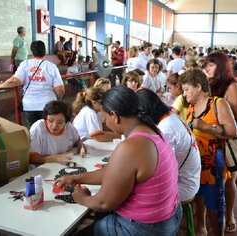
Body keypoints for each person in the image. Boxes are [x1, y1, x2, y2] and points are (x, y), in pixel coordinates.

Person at [55, 85, 182, 236]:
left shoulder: (131, 147)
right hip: (168, 218)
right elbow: (115, 173)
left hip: (146, 229)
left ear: (115, 116)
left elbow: (103, 203)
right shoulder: (153, 131)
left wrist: (82, 198)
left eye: (104, 117)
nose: (104, 121)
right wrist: (77, 178)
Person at [181, 69, 237, 236]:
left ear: (198, 87)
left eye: (186, 89)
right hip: (196, 164)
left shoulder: (218, 104)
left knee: (215, 206)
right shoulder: (191, 106)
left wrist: (205, 127)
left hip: (214, 165)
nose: (184, 94)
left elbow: (232, 131)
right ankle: (202, 226)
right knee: (198, 198)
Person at [137, 89, 201, 231]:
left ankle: (152, 230)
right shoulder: (171, 116)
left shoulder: (165, 128)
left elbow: (162, 169)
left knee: (136, 192)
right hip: (190, 179)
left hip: (184, 186)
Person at [204, 51, 237, 233]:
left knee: (229, 180)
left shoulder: (231, 86)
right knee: (210, 178)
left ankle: (229, 214)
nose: (206, 68)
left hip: (227, 138)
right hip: (209, 137)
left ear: (221, 67)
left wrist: (220, 107)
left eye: (211, 65)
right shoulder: (208, 84)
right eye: (206, 65)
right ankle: (211, 210)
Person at [0, 40, 64, 127]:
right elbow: (60, 89)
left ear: (32, 52)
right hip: (49, 104)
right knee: (49, 130)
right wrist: (59, 98)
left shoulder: (25, 64)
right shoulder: (51, 66)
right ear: (44, 51)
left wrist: (0, 85)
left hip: (30, 105)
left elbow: (14, 81)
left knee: (34, 131)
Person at [29, 101, 84, 167]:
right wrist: (56, 158)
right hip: (44, 169)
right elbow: (32, 158)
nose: (54, 125)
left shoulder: (68, 127)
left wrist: (81, 146)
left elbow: (77, 139)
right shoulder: (37, 128)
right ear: (45, 119)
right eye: (50, 121)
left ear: (66, 122)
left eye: (59, 122)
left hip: (63, 165)